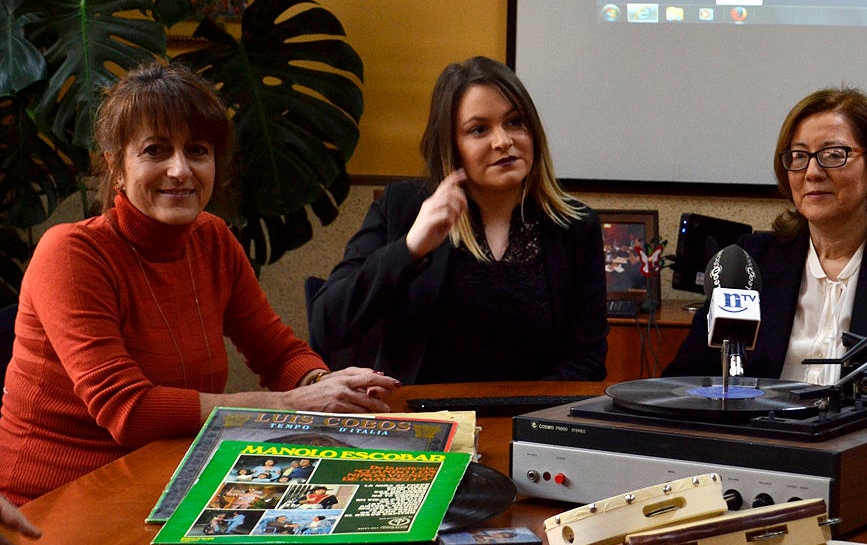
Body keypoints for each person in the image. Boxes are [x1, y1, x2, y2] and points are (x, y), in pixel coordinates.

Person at [0, 63, 398, 505]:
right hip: (51, 506)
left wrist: (327, 384)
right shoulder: (71, 253)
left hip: (162, 484)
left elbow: (277, 351)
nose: (180, 170)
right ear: (116, 165)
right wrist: (295, 404)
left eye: (197, 151)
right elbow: (129, 412)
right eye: (155, 150)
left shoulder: (212, 238)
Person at [664, 87, 867, 433]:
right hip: (757, 450)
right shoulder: (751, 263)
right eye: (798, 156)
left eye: (833, 155)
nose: (812, 172)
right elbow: (681, 384)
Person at [309, 56, 608, 384]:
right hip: (424, 420)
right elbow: (327, 326)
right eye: (479, 129)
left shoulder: (576, 226)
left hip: (530, 420)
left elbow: (587, 360)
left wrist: (527, 420)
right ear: (452, 146)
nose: (503, 141)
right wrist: (410, 248)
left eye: (514, 122)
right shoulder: (404, 207)